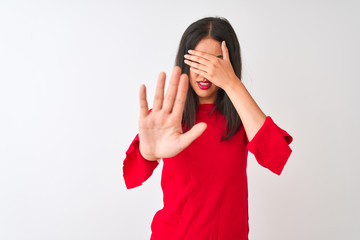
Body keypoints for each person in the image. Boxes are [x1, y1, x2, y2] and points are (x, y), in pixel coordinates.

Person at [122, 16, 293, 240]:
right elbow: (132, 177)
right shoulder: (168, 118)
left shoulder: (242, 118)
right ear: (185, 62)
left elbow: (278, 157)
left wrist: (232, 83)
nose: (204, 73)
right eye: (198, 61)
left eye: (215, 63)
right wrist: (148, 153)